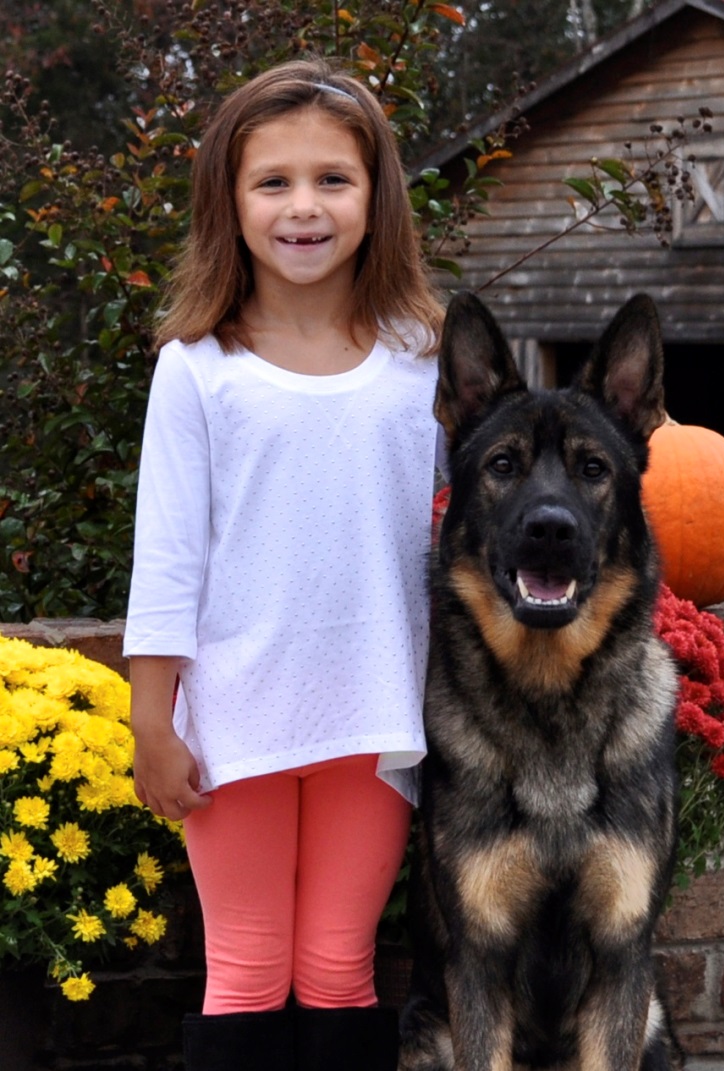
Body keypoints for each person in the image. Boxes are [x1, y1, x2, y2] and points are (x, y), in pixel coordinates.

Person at [123, 57, 444, 1071]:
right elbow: (167, 559)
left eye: (331, 180)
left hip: (378, 713)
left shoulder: (422, 357)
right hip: (234, 723)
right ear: (231, 200)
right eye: (273, 182)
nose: (303, 207)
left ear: (375, 195)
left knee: (342, 965)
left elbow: (463, 531)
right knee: (249, 968)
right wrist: (150, 718)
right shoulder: (198, 367)